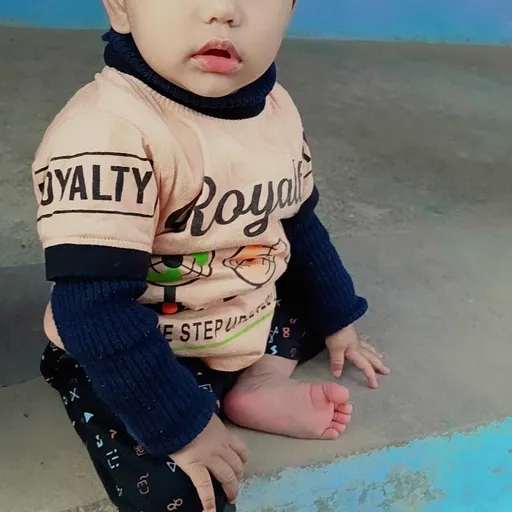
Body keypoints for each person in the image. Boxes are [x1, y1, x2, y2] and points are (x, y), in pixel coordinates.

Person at [32, 1, 390, 511]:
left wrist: (338, 319)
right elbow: (93, 307)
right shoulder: (106, 132)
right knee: (184, 491)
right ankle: (201, 398)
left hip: (241, 313)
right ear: (120, 8)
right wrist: (183, 425)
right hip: (138, 342)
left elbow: (297, 225)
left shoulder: (275, 109)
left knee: (311, 296)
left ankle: (257, 384)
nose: (222, 10)